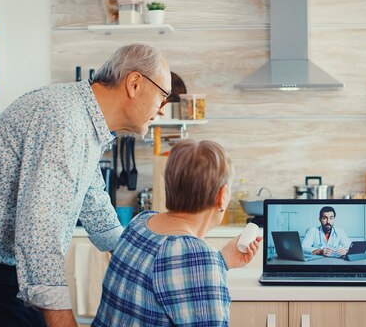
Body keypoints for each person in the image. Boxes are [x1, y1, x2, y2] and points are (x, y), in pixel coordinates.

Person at [0, 43, 174, 327]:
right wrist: (63, 320)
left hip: (4, 275)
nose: (162, 110)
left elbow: (93, 199)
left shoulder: (84, 120)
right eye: (163, 97)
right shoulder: (65, 122)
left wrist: (136, 258)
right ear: (134, 83)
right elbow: (39, 228)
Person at [91, 139, 262, 327]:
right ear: (221, 197)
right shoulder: (197, 257)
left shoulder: (140, 223)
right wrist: (210, 262)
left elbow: (160, 275)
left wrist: (222, 260)